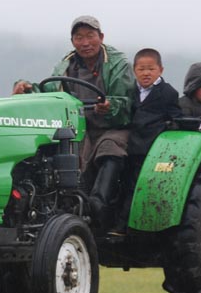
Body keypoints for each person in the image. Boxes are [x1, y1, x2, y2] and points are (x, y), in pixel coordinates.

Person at [13, 15, 135, 229]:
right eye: (79, 37)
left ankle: (98, 206)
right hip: (80, 126)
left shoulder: (118, 64)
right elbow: (51, 93)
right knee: (64, 149)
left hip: (113, 126)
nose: (85, 42)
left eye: (90, 36)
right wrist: (28, 89)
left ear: (101, 37)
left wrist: (110, 106)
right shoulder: (66, 65)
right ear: (72, 41)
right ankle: (62, 205)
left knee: (110, 147)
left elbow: (128, 104)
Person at [116, 48, 182, 234]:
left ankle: (128, 227)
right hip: (130, 146)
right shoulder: (130, 91)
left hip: (151, 148)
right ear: (134, 70)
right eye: (141, 69)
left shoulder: (168, 93)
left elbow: (176, 117)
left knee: (138, 186)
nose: (146, 73)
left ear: (161, 70)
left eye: (151, 69)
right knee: (123, 184)